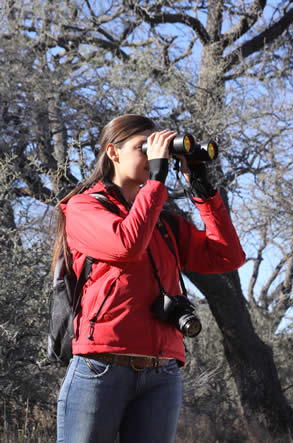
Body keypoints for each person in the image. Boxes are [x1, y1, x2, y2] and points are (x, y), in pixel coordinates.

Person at [54, 114, 245, 443]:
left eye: (158, 149)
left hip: (162, 372)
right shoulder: (84, 208)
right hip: (101, 367)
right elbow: (127, 244)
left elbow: (228, 256)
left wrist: (204, 192)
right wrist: (157, 180)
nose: (153, 156)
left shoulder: (162, 223)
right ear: (113, 153)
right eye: (143, 148)